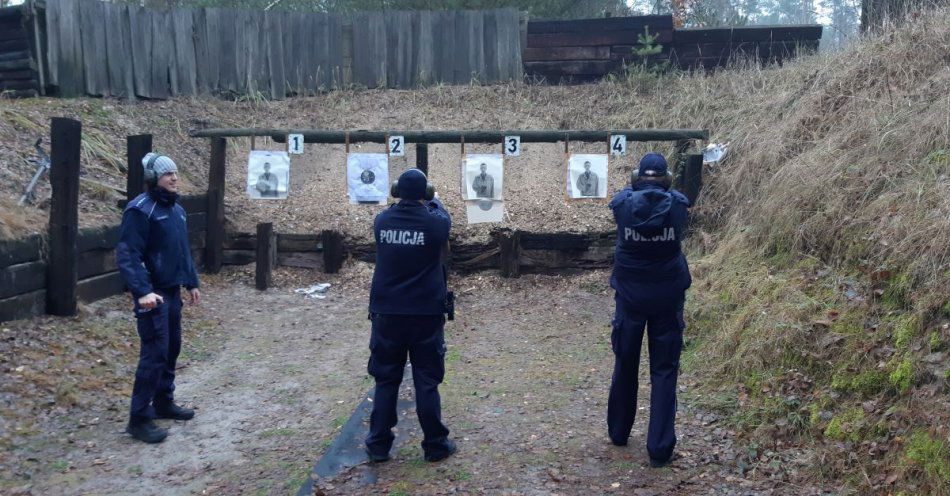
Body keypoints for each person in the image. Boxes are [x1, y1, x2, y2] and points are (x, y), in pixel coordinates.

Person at [365, 168, 456, 463]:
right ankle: (435, 445)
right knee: (426, 381)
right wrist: (436, 199)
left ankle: (379, 445)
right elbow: (443, 218)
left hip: (386, 313)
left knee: (386, 380)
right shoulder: (436, 223)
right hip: (425, 314)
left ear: (396, 191)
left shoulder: (381, 221)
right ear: (425, 194)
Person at [606, 152, 691, 467]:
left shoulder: (622, 206)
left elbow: (623, 198)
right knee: (664, 371)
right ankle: (659, 448)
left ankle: (618, 431)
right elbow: (675, 200)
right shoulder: (679, 206)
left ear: (635, 178)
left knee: (625, 364)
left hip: (630, 299)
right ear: (667, 179)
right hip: (667, 299)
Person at [116, 153, 201, 444]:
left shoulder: (177, 209)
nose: (174, 178)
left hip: (173, 291)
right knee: (154, 354)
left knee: (171, 348)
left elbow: (182, 249)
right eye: (167, 174)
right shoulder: (140, 210)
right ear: (153, 178)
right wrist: (142, 292)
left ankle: (164, 402)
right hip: (152, 295)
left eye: (175, 173)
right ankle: (139, 419)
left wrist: (191, 281)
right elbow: (129, 254)